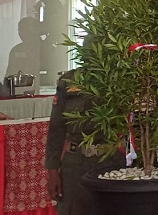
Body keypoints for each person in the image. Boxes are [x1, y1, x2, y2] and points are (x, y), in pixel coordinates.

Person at [45, 69, 125, 215]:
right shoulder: (68, 81)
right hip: (75, 165)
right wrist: (52, 171)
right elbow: (56, 129)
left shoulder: (120, 77)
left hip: (113, 162)